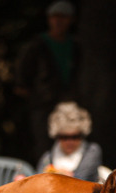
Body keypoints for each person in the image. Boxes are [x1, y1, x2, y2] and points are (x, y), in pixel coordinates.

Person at [15, 1, 80, 162]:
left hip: (67, 105)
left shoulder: (75, 46)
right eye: (54, 17)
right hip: (42, 106)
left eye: (63, 17)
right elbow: (21, 80)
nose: (58, 21)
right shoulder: (37, 45)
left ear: (71, 20)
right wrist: (36, 97)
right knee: (42, 146)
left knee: (68, 145)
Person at [37, 102, 102, 182]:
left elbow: (81, 179)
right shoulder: (47, 158)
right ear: (57, 137)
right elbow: (38, 182)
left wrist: (59, 175)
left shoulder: (92, 151)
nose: (70, 142)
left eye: (75, 137)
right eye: (64, 137)